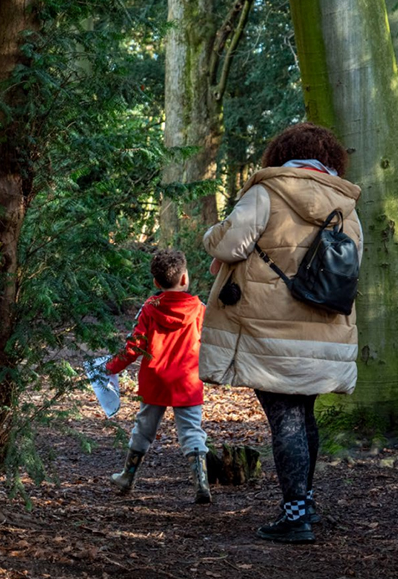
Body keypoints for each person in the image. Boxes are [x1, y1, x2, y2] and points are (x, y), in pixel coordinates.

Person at [199, 122, 363, 543]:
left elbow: (229, 245)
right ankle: (305, 504)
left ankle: (295, 517)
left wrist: (210, 233)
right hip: (325, 328)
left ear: (282, 153)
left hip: (269, 328)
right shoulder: (346, 205)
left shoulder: (266, 192)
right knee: (304, 416)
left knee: (285, 418)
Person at [105, 248, 211, 503]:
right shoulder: (200, 310)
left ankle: (127, 477)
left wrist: (110, 368)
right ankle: (202, 483)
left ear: (156, 282)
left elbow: (134, 347)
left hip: (155, 381)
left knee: (143, 429)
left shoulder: (150, 308)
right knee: (192, 432)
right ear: (184, 278)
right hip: (187, 381)